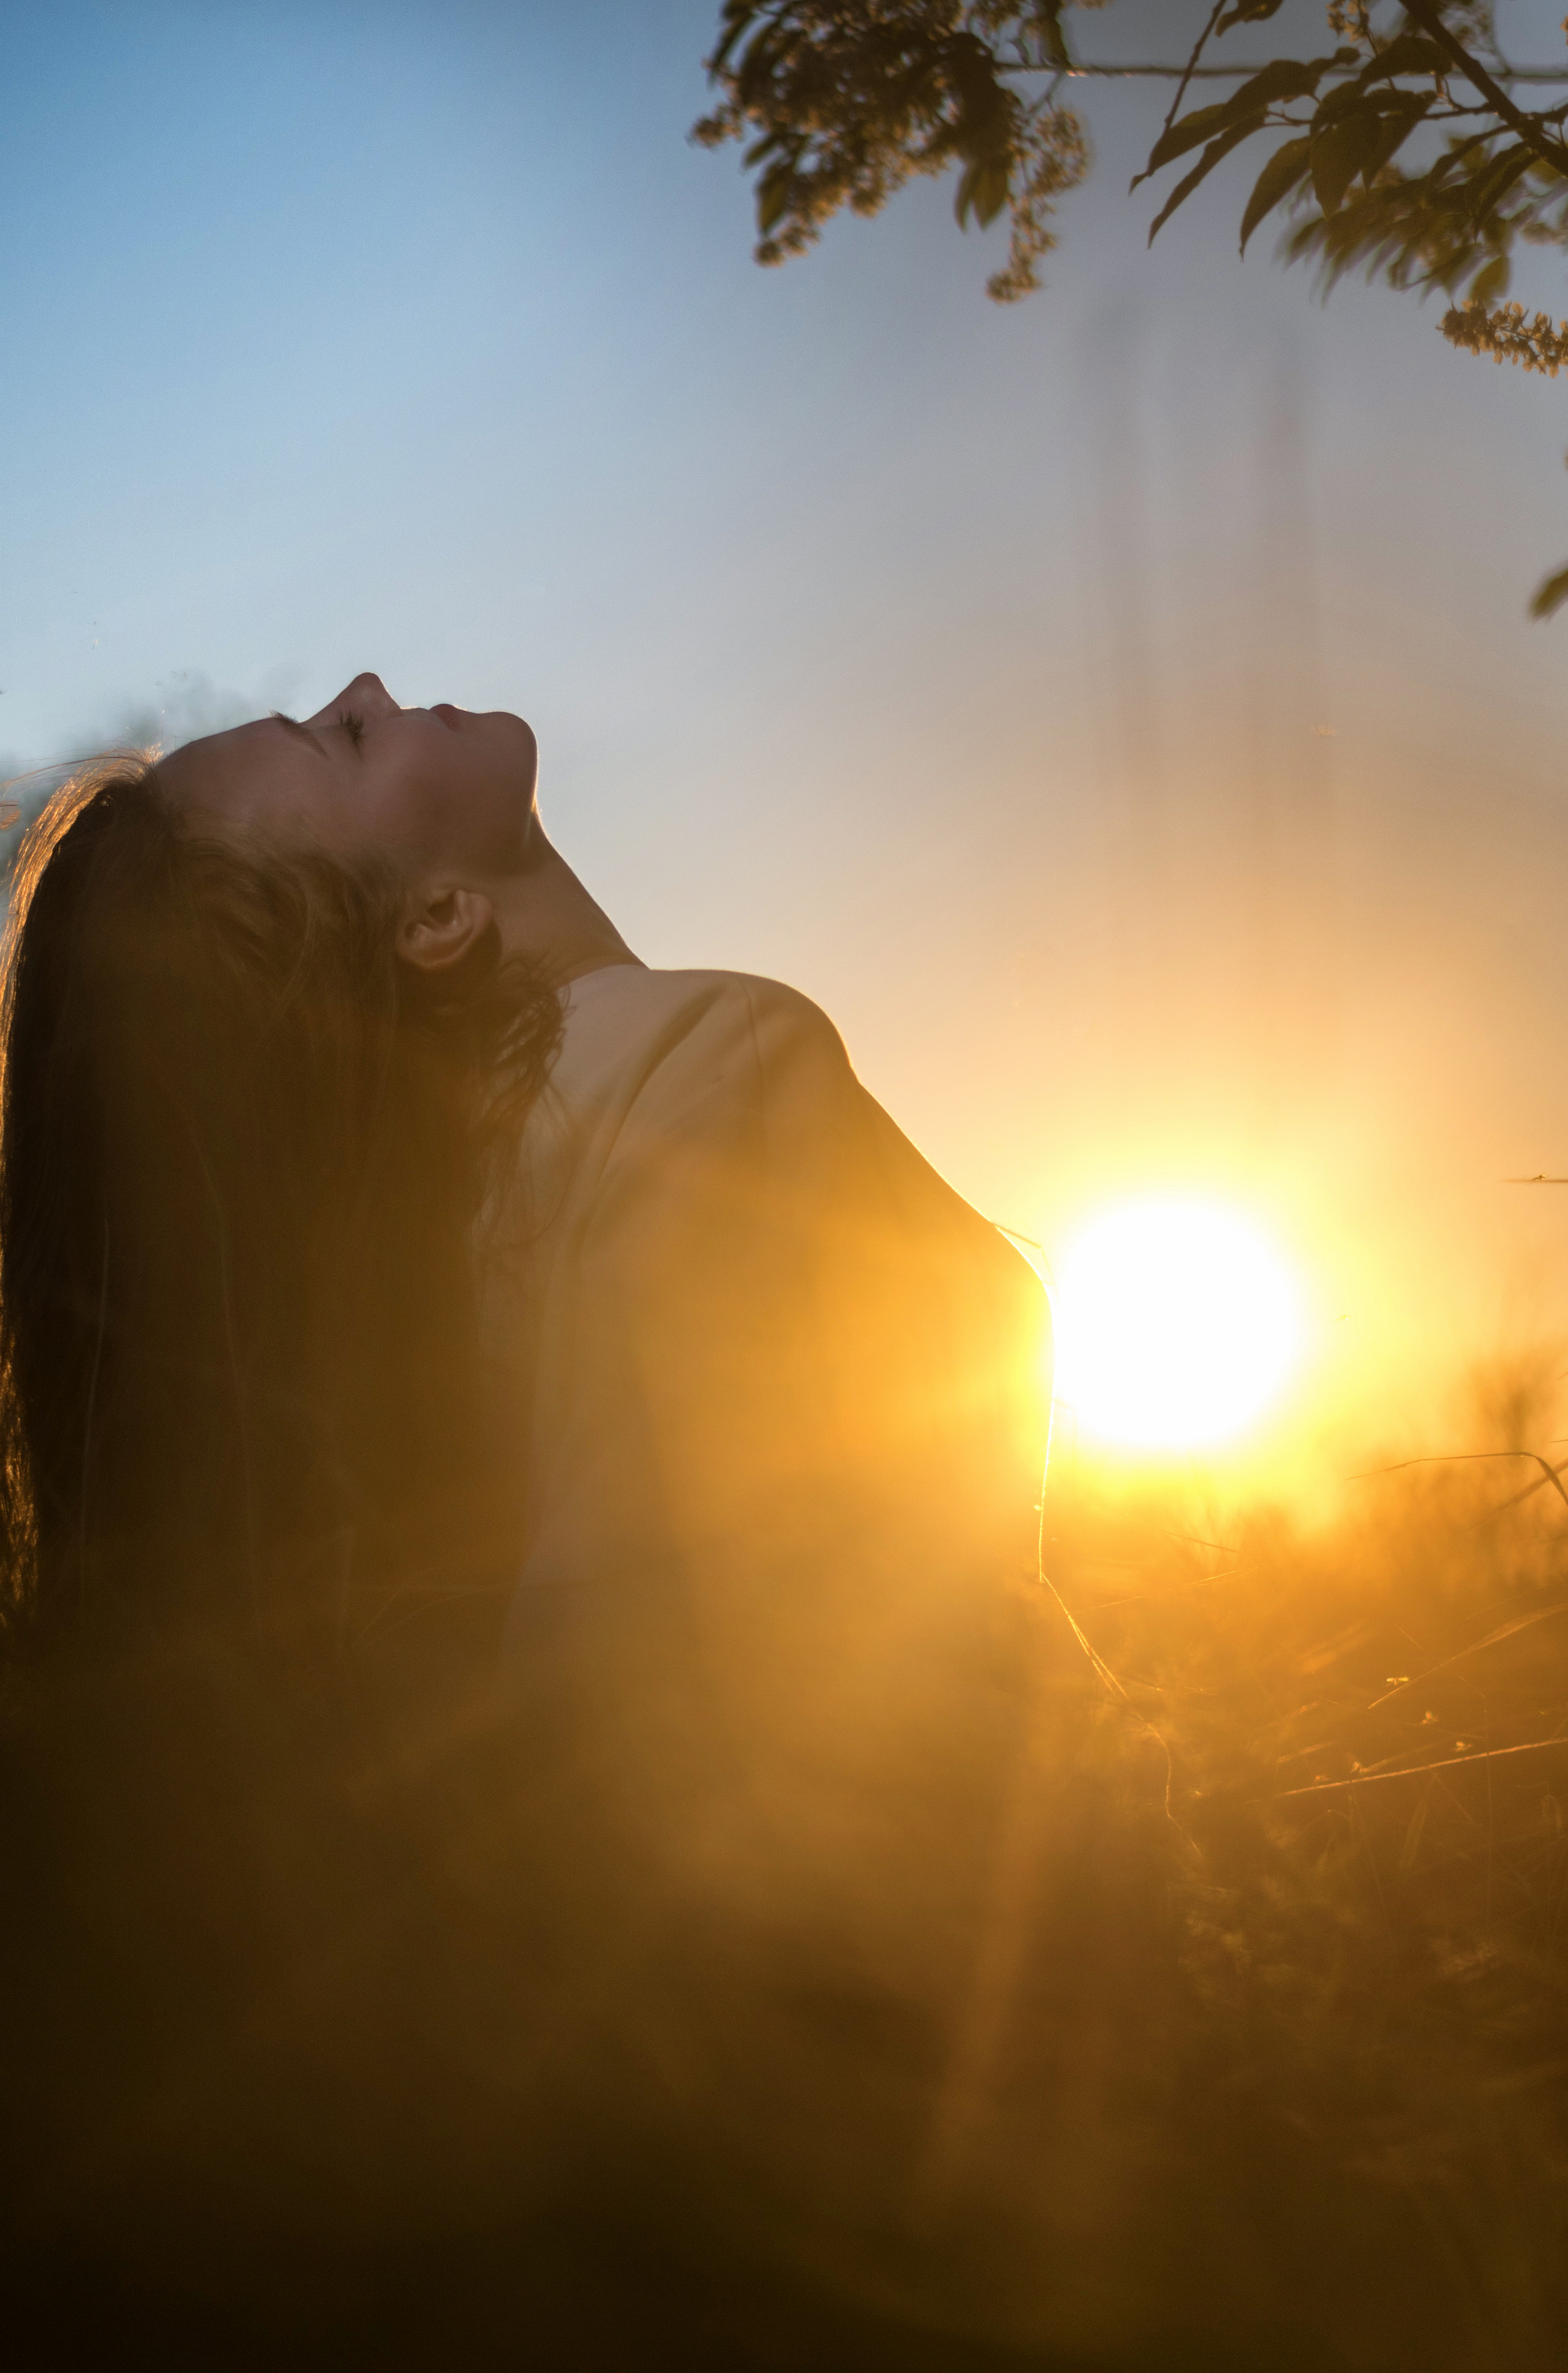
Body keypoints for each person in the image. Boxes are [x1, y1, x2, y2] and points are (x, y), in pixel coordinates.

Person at [0, 674, 1065, 2348]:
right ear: (430, 921)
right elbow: (667, 1724)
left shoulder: (475, 1213)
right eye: (335, 743)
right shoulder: (705, 1070)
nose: (358, 688)